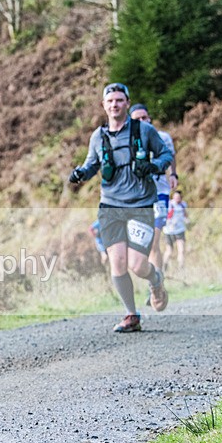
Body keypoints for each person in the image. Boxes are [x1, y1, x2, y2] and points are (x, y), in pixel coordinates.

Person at [69, 83, 173, 333]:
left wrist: (154, 166)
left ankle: (156, 280)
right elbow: (92, 164)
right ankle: (131, 315)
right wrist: (81, 173)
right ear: (103, 106)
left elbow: (165, 155)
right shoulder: (98, 136)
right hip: (110, 207)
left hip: (140, 205)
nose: (114, 104)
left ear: (127, 103)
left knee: (138, 265)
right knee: (117, 262)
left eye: (119, 100)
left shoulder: (144, 130)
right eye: (110, 101)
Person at [128, 103, 179, 304]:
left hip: (159, 194)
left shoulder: (162, 137)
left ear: (149, 119)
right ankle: (155, 281)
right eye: (137, 118)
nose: (141, 121)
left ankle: (156, 286)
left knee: (154, 242)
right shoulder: (126, 140)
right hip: (136, 198)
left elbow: (171, 155)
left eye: (144, 118)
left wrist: (173, 174)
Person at [164, 190, 189, 270]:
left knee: (181, 250)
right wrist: (170, 222)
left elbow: (185, 215)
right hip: (169, 230)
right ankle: (164, 265)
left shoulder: (183, 205)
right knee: (169, 251)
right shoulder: (169, 204)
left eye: (179, 197)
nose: (177, 199)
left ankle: (181, 268)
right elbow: (165, 216)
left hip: (180, 230)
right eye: (176, 197)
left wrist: (187, 220)